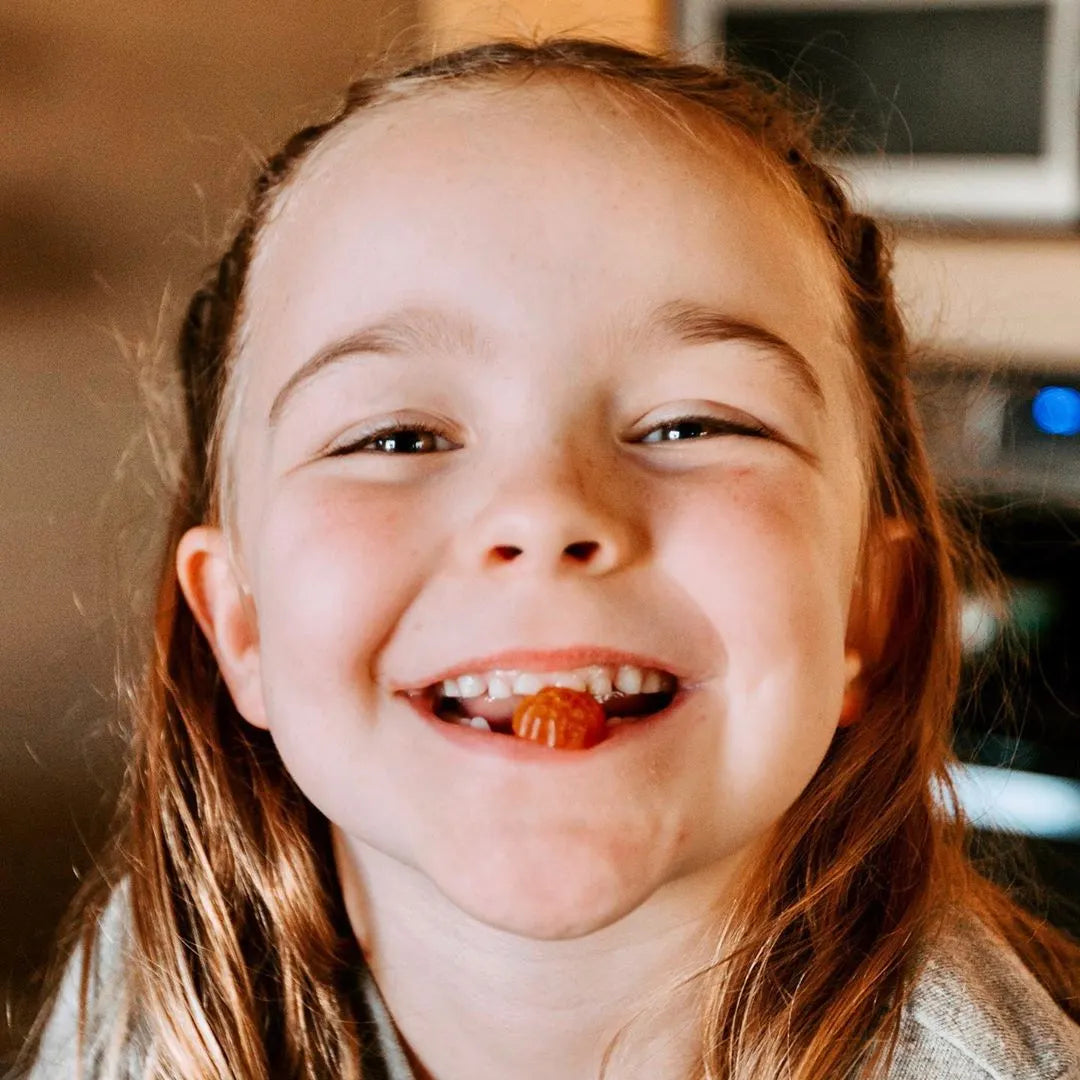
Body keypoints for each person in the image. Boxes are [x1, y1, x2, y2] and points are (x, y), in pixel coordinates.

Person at [12, 36, 1080, 1080]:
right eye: (397, 439)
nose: (546, 510)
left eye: (692, 424)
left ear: (863, 610)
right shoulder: (146, 1002)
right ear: (239, 627)